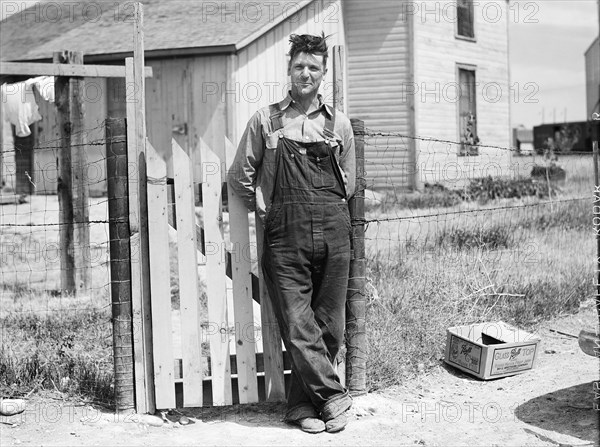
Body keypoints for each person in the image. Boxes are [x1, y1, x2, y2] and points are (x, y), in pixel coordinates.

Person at [228, 33, 356, 434]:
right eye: (299, 65)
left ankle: (301, 407)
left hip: (334, 231)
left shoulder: (339, 124)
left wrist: (323, 207)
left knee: (330, 325)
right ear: (289, 70)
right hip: (285, 236)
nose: (306, 73)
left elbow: (348, 182)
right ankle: (334, 398)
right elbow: (239, 176)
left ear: (323, 74)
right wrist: (263, 207)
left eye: (313, 67)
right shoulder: (265, 120)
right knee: (298, 323)